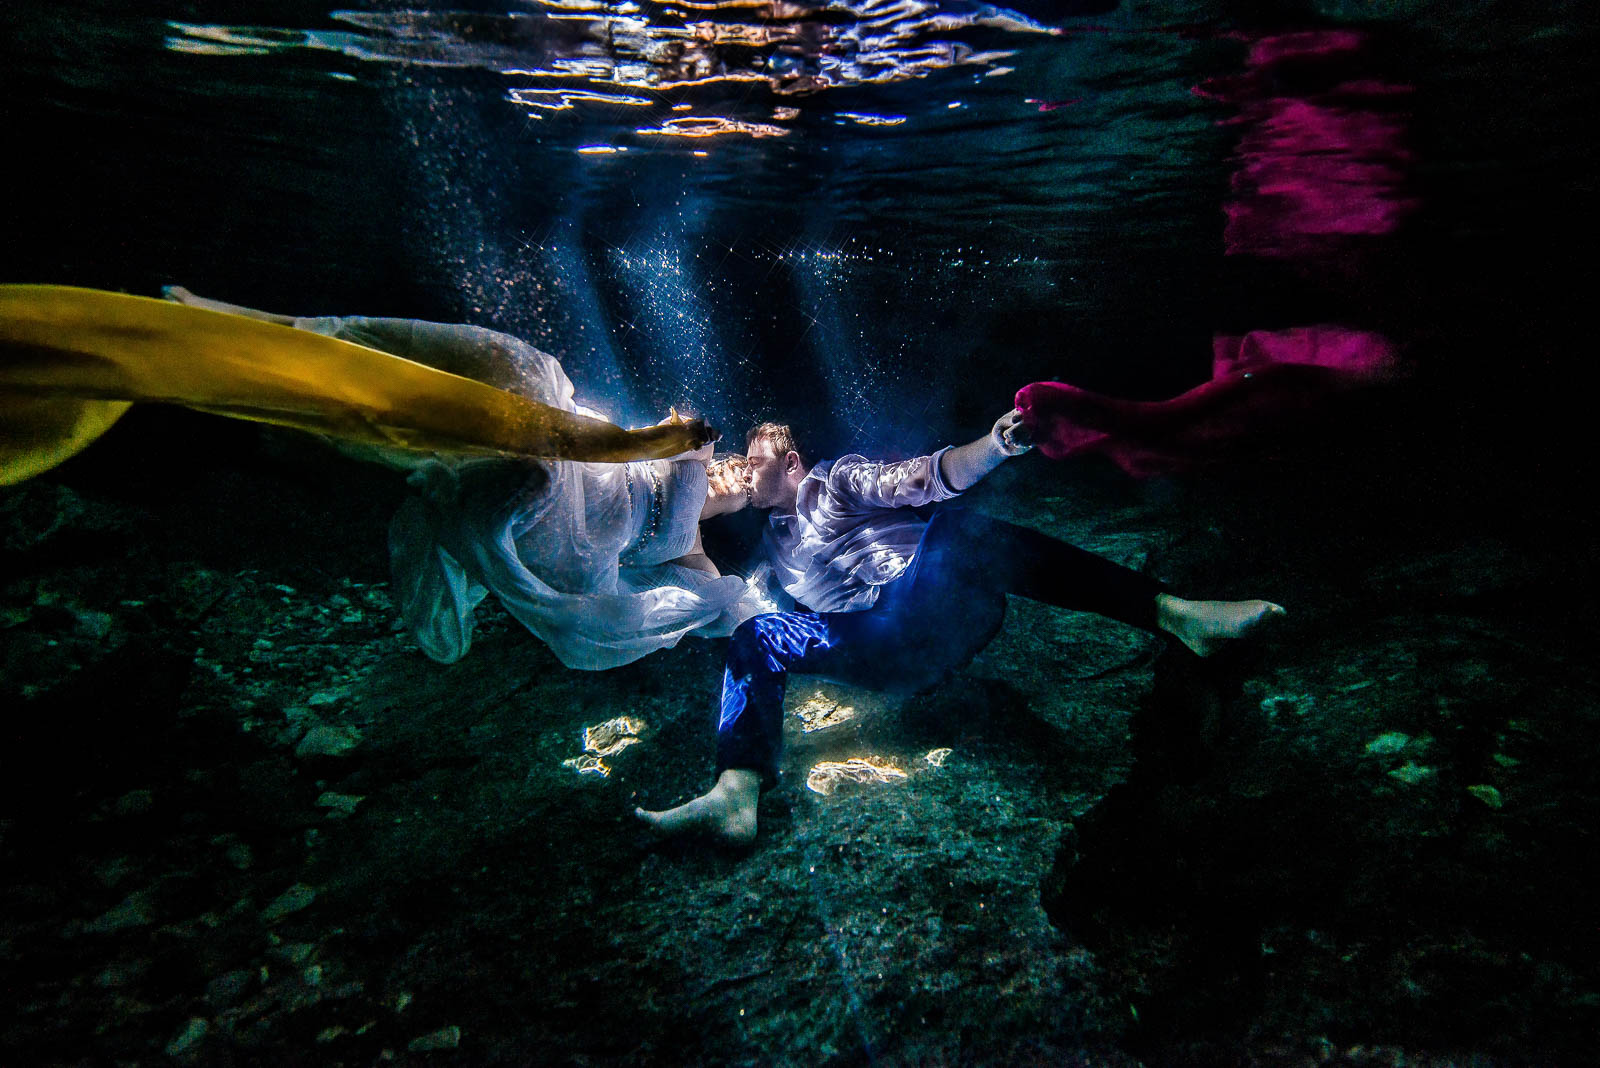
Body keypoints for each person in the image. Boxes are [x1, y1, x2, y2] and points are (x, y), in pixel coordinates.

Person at [636, 410, 1286, 842]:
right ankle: (736, 791)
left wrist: (996, 445)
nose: (745, 474)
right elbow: (722, 604)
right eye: (741, 467)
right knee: (757, 634)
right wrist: (689, 509)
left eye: (755, 462)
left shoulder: (835, 482)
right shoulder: (769, 554)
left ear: (793, 462)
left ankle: (1174, 613)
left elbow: (919, 479)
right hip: (873, 652)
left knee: (956, 531)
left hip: (927, 610)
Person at [162, 287, 763, 670]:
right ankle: (269, 326)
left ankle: (267, 402)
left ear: (740, 511)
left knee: (525, 478)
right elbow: (677, 428)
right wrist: (694, 443)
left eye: (742, 483)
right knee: (520, 367)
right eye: (734, 461)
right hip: (577, 446)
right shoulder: (688, 447)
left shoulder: (692, 555)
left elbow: (722, 611)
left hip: (571, 531)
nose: (732, 472)